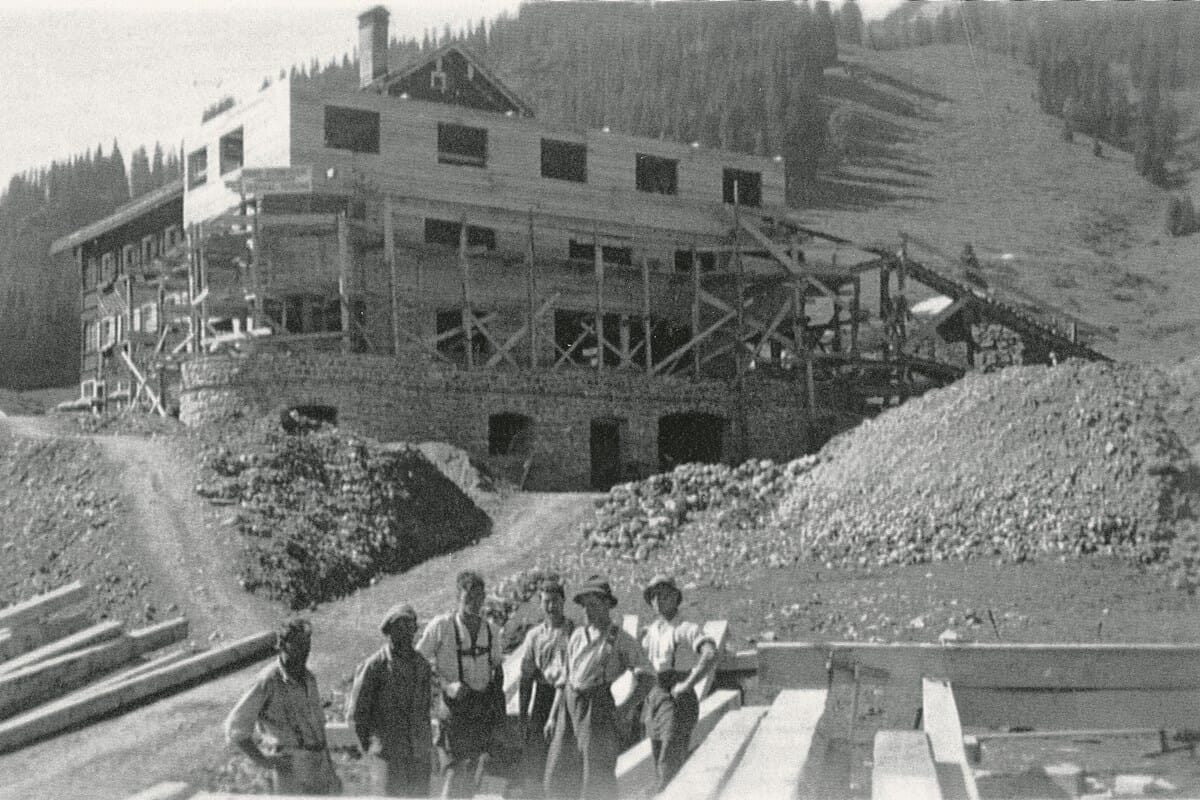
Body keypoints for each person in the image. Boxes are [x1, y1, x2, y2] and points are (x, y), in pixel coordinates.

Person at [544, 575, 653, 800]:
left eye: (593, 605)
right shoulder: (576, 636)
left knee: (596, 776)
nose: (587, 611)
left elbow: (648, 676)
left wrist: (625, 708)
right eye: (584, 606)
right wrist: (554, 716)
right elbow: (565, 678)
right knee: (559, 770)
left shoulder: (620, 639)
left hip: (597, 710)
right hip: (569, 706)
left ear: (607, 605)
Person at [225, 617, 341, 795]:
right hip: (290, 768)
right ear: (282, 645)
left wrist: (331, 773)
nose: (304, 652)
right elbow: (235, 726)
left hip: (319, 768)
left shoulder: (309, 679)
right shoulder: (268, 681)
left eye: (307, 645)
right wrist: (263, 760)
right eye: (298, 646)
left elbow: (318, 730)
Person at [417, 570, 505, 798]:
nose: (475, 604)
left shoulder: (491, 631)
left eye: (479, 598)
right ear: (458, 597)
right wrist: (445, 686)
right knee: (454, 772)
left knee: (474, 773)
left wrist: (498, 713)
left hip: (481, 709)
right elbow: (419, 663)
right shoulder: (442, 626)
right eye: (469, 599)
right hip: (454, 710)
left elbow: (497, 670)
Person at [347, 603, 434, 797]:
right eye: (400, 628)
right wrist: (371, 751)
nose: (406, 633)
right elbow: (357, 716)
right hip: (388, 758)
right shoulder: (374, 667)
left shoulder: (422, 666)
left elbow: (425, 711)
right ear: (389, 631)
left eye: (410, 627)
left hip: (418, 756)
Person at [640, 575, 718, 792]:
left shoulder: (686, 628)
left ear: (675, 597)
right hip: (655, 696)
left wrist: (688, 683)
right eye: (654, 596)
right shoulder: (650, 631)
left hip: (676, 699)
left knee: (670, 759)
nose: (659, 600)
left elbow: (710, 654)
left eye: (664, 595)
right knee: (657, 756)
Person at [516, 576, 576, 798]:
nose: (551, 607)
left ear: (563, 602)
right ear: (541, 604)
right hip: (542, 696)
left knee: (562, 752)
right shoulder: (534, 636)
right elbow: (526, 677)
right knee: (535, 753)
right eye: (546, 602)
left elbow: (570, 674)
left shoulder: (573, 632)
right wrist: (523, 714)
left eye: (555, 601)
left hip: (566, 697)